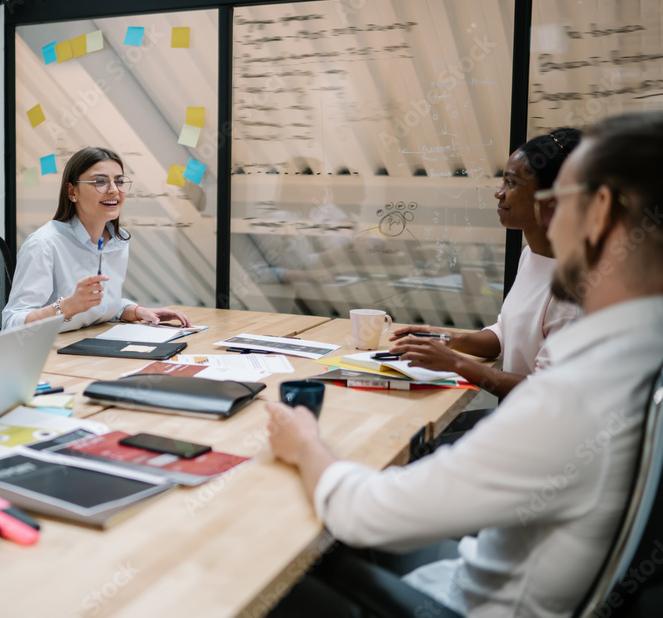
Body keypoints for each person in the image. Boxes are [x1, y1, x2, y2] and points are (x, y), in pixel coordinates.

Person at [266, 112, 663, 616]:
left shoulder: (575, 396)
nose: (547, 220)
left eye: (555, 202)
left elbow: (363, 513)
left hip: (461, 604)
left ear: (600, 212)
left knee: (272, 566)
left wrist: (303, 443)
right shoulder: (637, 360)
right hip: (482, 569)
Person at [390, 128, 583, 399]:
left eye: (512, 183)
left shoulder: (574, 290)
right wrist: (444, 338)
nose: (499, 193)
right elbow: (507, 334)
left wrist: (455, 362)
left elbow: (547, 392)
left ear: (549, 199)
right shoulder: (531, 255)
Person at [3, 147, 190, 331]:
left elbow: (100, 307)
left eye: (119, 181)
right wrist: (67, 307)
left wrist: (137, 311)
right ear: (72, 192)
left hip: (91, 351)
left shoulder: (119, 241)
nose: (114, 190)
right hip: (52, 356)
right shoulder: (44, 244)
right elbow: (12, 323)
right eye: (100, 182)